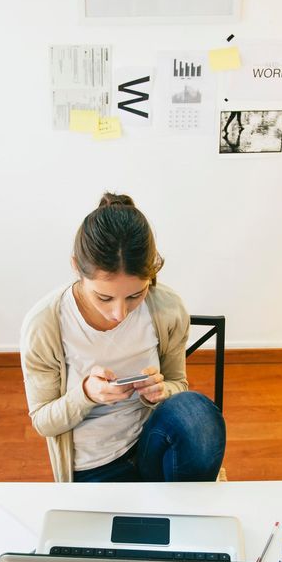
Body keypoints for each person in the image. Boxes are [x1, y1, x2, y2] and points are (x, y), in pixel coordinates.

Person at [20, 192, 226, 483]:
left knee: (197, 412)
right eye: (104, 297)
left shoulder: (166, 308)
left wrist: (160, 392)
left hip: (152, 443)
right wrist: (87, 394)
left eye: (135, 295)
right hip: (95, 465)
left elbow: (178, 384)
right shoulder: (45, 324)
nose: (119, 313)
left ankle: (185, 512)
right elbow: (43, 421)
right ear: (76, 267)